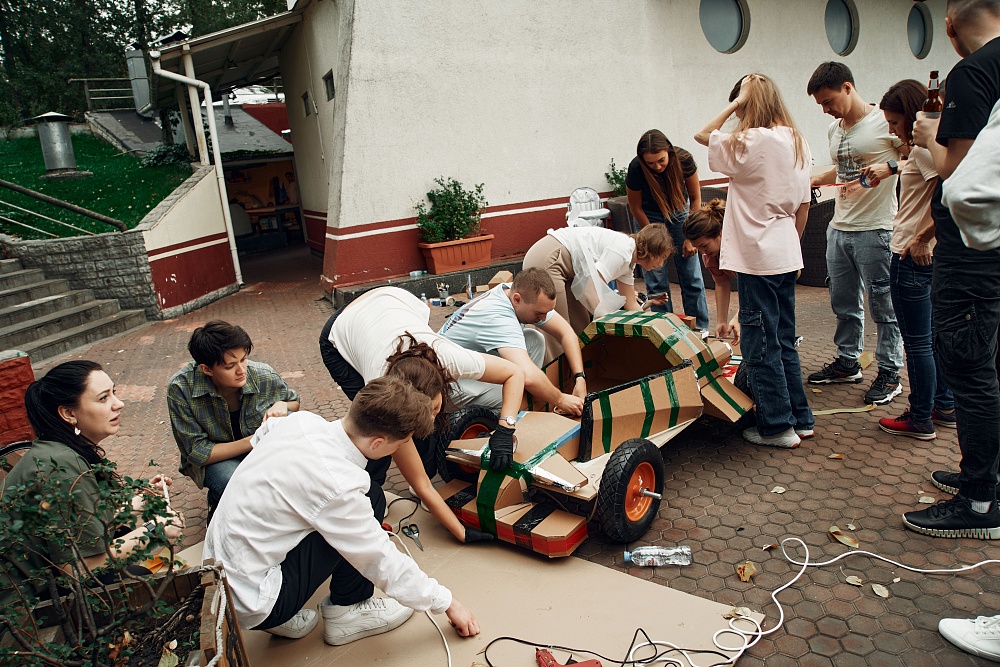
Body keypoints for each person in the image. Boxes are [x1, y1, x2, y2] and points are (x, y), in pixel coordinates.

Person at [203, 376, 481, 645]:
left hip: (220, 569)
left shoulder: (300, 421)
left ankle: (286, 606)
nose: (398, 450)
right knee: (371, 501)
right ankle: (347, 610)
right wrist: (447, 602)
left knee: (368, 495)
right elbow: (378, 558)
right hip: (253, 600)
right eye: (400, 444)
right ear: (377, 443)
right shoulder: (339, 485)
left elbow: (264, 433)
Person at [902, 0, 1000, 539]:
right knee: (988, 365)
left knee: (968, 368)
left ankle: (979, 502)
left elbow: (956, 172)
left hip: (971, 252)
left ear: (949, 25)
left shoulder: (973, 70)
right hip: (994, 250)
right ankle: (985, 479)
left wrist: (927, 139)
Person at [695, 73, 814, 449]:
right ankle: (800, 419)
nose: (736, 116)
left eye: (741, 108)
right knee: (783, 339)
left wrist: (736, 101)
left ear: (748, 104)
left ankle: (777, 427)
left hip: (757, 257)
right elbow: (804, 205)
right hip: (784, 251)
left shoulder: (754, 140)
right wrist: (792, 248)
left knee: (760, 344)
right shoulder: (797, 140)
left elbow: (703, 134)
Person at [1, 361, 184, 604]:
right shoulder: (62, 467)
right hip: (29, 607)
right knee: (148, 584)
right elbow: (78, 569)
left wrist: (140, 501)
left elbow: (83, 526)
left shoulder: (57, 451)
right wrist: (154, 530)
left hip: (42, 587)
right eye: (103, 398)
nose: (119, 404)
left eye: (114, 393)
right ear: (69, 413)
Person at [319, 286, 525, 477]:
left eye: (434, 408)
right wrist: (422, 484)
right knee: (378, 429)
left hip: (391, 298)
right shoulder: (379, 380)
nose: (433, 418)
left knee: (422, 444)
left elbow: (515, 373)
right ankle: (369, 484)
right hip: (342, 330)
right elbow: (420, 482)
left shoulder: (448, 357)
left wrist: (505, 428)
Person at [806, 61, 905, 406]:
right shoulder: (834, 129)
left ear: (848, 87)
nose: (825, 109)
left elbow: (922, 158)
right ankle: (848, 362)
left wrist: (891, 166)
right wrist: (817, 178)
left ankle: (890, 373)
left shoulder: (883, 122)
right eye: (820, 104)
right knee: (843, 302)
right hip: (839, 226)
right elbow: (844, 167)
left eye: (829, 101)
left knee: (884, 306)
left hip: (876, 229)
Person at [866, 80, 955, 441]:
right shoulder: (932, 147)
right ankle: (943, 405)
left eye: (893, 121)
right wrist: (893, 166)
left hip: (910, 253)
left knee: (917, 343)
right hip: (924, 252)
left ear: (911, 115)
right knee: (931, 339)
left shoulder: (925, 148)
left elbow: (948, 190)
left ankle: (920, 417)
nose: (891, 130)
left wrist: (921, 237)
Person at [167, 321, 300, 510]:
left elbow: (294, 402)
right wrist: (256, 439)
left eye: (243, 359)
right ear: (207, 369)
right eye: (230, 366)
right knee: (235, 485)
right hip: (218, 460)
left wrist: (282, 404)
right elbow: (197, 452)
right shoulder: (181, 389)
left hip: (262, 451)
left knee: (295, 474)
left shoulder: (262, 374)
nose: (241, 370)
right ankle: (220, 509)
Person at [439, 268, 587, 416]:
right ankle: (483, 418)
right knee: (518, 396)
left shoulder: (516, 291)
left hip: (466, 366)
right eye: (539, 313)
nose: (543, 318)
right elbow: (529, 376)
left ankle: (525, 401)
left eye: (546, 313)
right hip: (447, 386)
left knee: (534, 339)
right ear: (517, 299)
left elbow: (566, 333)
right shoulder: (498, 317)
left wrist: (580, 378)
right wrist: (561, 400)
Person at [521, 224, 673, 360]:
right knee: (560, 332)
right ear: (652, 250)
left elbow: (631, 303)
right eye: (662, 257)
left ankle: (579, 374)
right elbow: (590, 287)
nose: (661, 264)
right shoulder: (623, 250)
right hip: (550, 258)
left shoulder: (628, 262)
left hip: (569, 272)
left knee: (582, 328)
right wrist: (606, 320)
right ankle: (555, 379)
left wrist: (653, 328)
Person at [625, 129, 709, 330]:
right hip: (648, 216)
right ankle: (665, 330)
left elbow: (695, 198)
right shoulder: (636, 168)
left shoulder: (684, 160)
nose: (657, 166)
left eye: (661, 160)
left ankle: (700, 329)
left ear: (669, 152)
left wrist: (690, 237)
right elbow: (635, 207)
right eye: (650, 163)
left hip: (680, 213)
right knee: (655, 277)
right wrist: (652, 237)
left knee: (691, 276)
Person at [682, 199, 739, 343]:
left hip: (771, 281)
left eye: (704, 245)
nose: (703, 252)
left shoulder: (738, 247)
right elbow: (721, 283)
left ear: (719, 233)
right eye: (698, 247)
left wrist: (740, 317)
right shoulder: (709, 254)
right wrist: (721, 320)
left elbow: (755, 286)